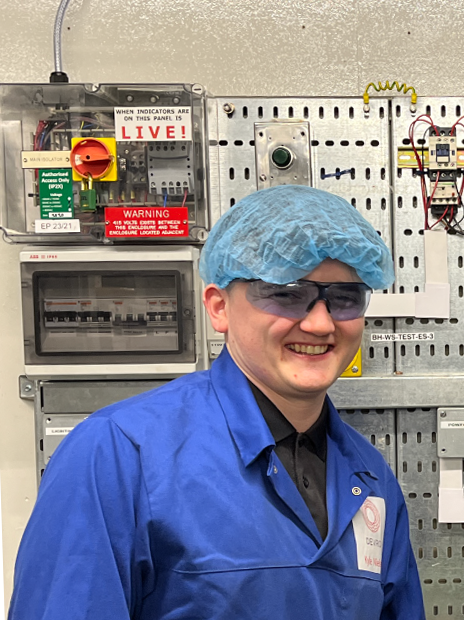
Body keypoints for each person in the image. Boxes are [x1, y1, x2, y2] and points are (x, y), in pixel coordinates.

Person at [9, 185, 425, 619]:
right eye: (287, 293)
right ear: (218, 306)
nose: (320, 324)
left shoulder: (369, 475)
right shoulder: (118, 455)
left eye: (344, 298)